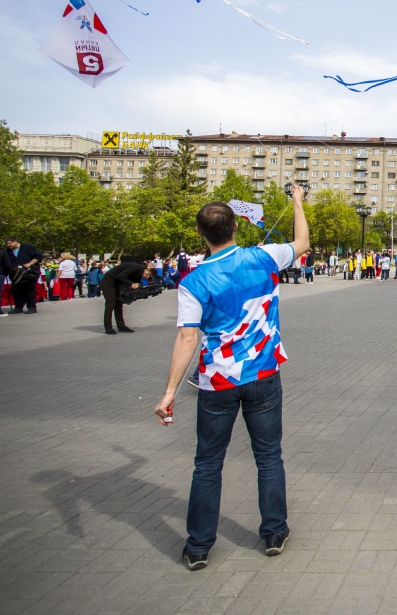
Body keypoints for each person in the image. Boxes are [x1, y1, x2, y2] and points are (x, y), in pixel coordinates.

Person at [154, 186, 310, 571]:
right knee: (269, 456)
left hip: (217, 381)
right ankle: (274, 531)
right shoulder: (263, 256)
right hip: (263, 373)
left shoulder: (193, 281)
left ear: (200, 233)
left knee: (208, 463)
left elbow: (187, 337)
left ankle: (199, 546)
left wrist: (169, 392)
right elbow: (303, 242)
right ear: (237, 226)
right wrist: (297, 201)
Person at [100, 260, 152, 334]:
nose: (146, 279)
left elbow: (136, 285)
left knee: (118, 304)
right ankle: (108, 328)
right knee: (110, 304)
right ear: (146, 273)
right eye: (148, 277)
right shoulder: (135, 268)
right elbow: (120, 276)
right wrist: (131, 284)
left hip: (115, 284)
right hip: (108, 282)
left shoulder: (139, 273)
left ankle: (121, 326)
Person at [5, 238, 42, 314]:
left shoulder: (28, 248)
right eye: (7, 244)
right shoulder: (7, 251)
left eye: (10, 243)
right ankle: (18, 307)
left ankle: (32, 307)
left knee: (30, 290)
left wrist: (30, 263)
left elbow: (38, 257)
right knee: (16, 291)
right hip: (15, 275)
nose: (8, 245)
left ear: (15, 241)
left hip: (29, 273)